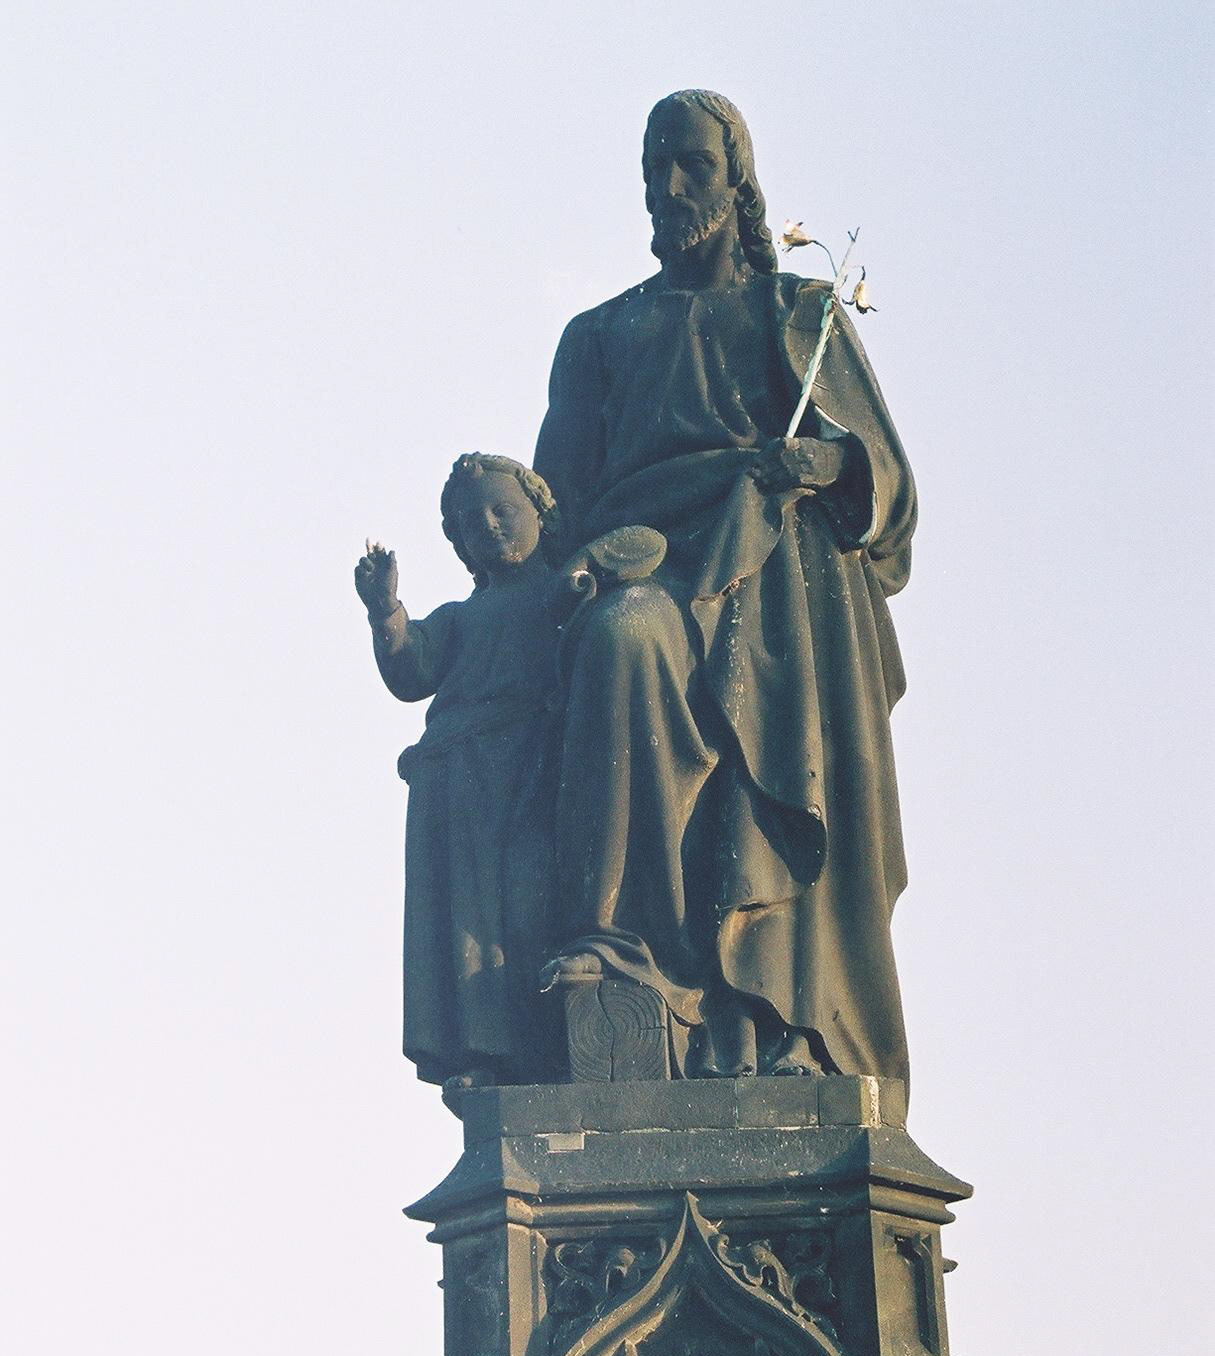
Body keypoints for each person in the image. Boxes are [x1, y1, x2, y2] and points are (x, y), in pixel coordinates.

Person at [533, 90, 918, 1085]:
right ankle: (624, 963)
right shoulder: (599, 337)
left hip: (768, 573)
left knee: (767, 627)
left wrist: (819, 468)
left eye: (693, 165)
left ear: (737, 178)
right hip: (643, 561)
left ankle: (786, 1015)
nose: (669, 187)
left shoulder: (798, 317)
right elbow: (555, 510)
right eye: (655, 166)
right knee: (621, 638)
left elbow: (885, 488)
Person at [355, 455, 563, 1089]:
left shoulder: (561, 591)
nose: (491, 527)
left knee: (524, 910)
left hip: (526, 770)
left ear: (539, 512)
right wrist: (385, 610)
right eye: (472, 524)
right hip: (455, 780)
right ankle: (483, 1055)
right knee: (465, 922)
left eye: (504, 511)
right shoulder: (460, 617)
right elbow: (411, 671)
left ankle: (538, 1048)